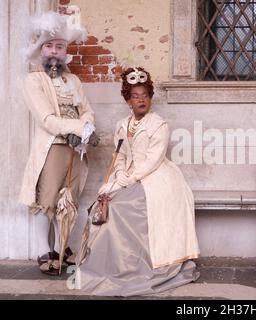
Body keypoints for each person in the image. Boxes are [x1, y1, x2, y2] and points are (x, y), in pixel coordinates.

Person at [76, 67, 200, 296]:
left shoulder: (158, 125)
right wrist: (119, 174)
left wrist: (128, 179)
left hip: (157, 178)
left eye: (145, 95)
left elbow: (153, 159)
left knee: (125, 206)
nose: (141, 100)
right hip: (128, 175)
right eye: (136, 96)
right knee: (106, 202)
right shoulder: (122, 125)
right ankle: (112, 265)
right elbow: (120, 155)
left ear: (150, 97)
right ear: (128, 100)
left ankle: (137, 266)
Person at [19, 11, 99, 276]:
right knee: (48, 199)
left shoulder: (73, 81)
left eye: (60, 47)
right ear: (41, 50)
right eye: (49, 46)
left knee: (68, 199)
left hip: (76, 147)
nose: (55, 51)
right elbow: (47, 119)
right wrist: (79, 128)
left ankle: (62, 247)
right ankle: (45, 249)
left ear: (66, 52)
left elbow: (86, 110)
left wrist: (86, 128)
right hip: (53, 145)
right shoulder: (34, 80)